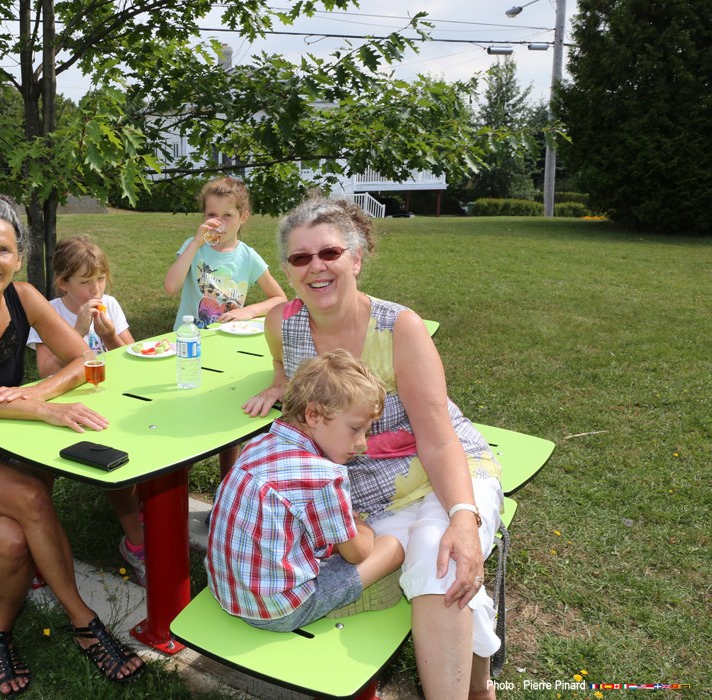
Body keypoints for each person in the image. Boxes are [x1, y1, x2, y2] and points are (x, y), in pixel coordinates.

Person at [243, 196, 504, 700]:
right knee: (433, 566)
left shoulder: (399, 327)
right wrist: (279, 383)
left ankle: (472, 689)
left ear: (356, 259)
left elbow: (437, 438)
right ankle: (478, 688)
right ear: (288, 271)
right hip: (359, 488)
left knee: (441, 562)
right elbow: (282, 365)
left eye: (330, 253)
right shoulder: (282, 323)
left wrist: (464, 517)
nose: (316, 267)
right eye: (301, 258)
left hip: (440, 472)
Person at [0, 195, 144, 696]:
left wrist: (38, 392)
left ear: (18, 258)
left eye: (3, 250)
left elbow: (85, 359)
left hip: (12, 445)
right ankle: (85, 623)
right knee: (31, 499)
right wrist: (43, 410)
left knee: (13, 540)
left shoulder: (25, 298)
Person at [206, 349, 405, 632]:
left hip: (226, 590)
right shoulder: (324, 476)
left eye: (367, 432)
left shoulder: (257, 446)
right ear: (313, 415)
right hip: (280, 611)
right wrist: (364, 528)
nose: (362, 444)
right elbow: (358, 554)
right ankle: (346, 600)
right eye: (355, 429)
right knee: (392, 548)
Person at [25, 235, 146, 584]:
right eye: (85, 281)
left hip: (110, 397)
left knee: (134, 454)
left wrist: (109, 337)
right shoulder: (50, 311)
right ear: (63, 283)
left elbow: (135, 357)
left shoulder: (109, 303)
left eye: (101, 278)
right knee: (102, 461)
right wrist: (76, 330)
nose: (96, 288)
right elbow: (46, 372)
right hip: (67, 406)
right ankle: (134, 539)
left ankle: (139, 519)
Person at [163, 176, 287, 477]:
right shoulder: (195, 249)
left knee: (228, 415)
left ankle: (228, 482)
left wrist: (249, 311)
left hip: (229, 348)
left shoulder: (247, 256)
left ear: (242, 218)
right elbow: (170, 286)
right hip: (189, 348)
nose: (217, 222)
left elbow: (279, 297)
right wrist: (195, 243)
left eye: (227, 215)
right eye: (210, 215)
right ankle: (174, 469)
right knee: (185, 411)